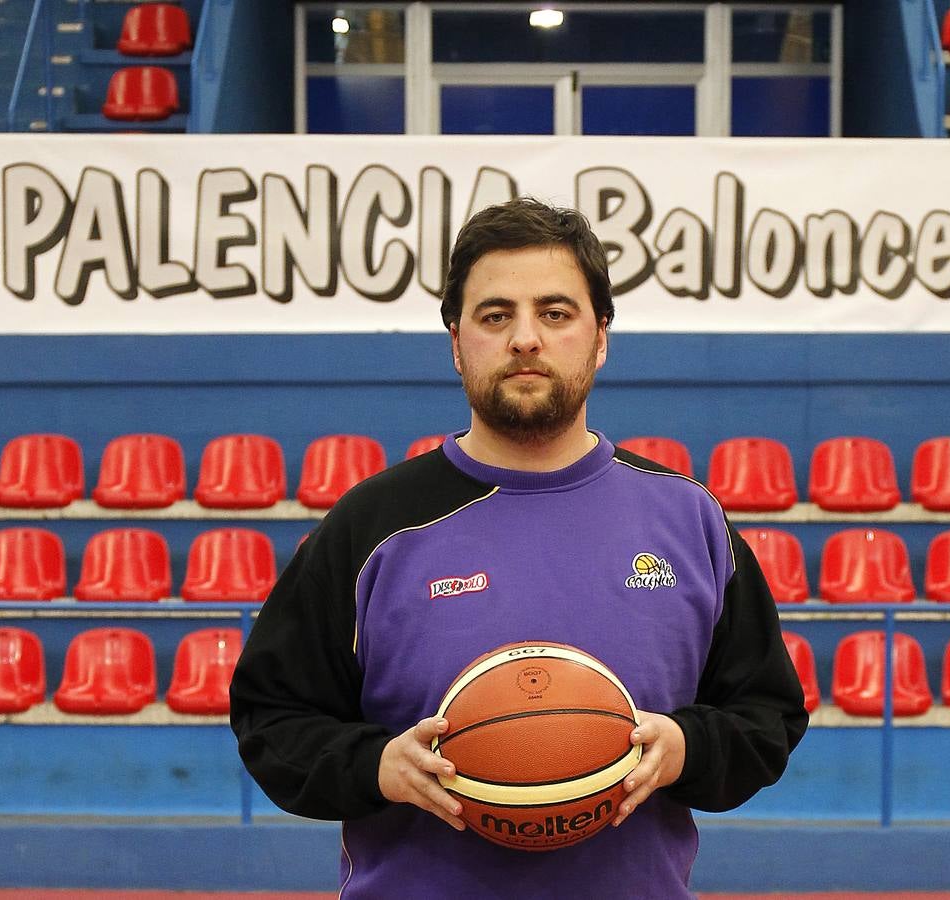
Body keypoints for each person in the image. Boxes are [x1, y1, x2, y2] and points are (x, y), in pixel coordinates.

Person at [230, 197, 808, 898]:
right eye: (495, 315)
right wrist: (375, 764)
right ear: (455, 341)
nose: (525, 338)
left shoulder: (689, 520)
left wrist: (688, 748)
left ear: (601, 337)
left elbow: (768, 716)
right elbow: (272, 717)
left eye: (556, 313)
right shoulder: (372, 527)